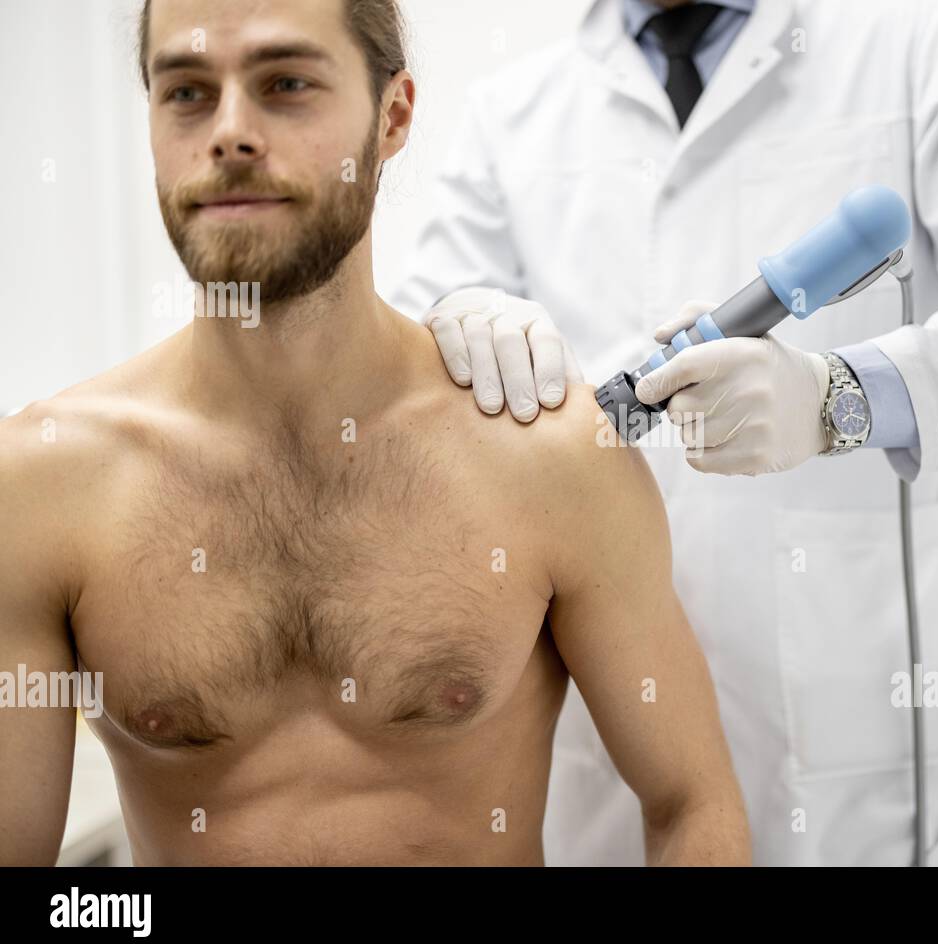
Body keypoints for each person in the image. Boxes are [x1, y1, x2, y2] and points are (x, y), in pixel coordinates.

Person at [392, 0, 938, 865]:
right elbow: (415, 416)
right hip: (601, 803)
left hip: (860, 818)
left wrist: (841, 396)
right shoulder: (512, 113)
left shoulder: (929, 39)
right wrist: (451, 322)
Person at [0, 0, 749, 867]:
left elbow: (695, 805)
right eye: (188, 92)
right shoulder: (43, 487)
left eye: (285, 84)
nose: (231, 132)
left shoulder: (547, 456)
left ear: (392, 116)